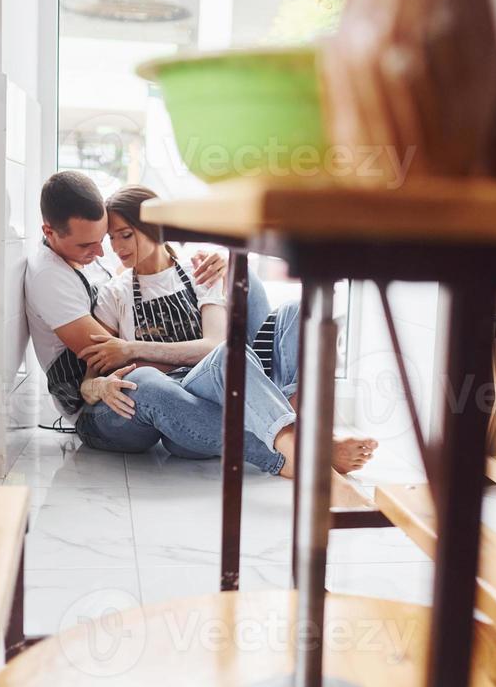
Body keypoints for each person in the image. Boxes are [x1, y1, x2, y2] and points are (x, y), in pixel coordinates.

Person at [77, 185, 377, 475]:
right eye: (111, 238)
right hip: (180, 410)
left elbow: (214, 346)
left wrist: (131, 349)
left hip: (214, 386)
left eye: (126, 235)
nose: (117, 247)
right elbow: (91, 377)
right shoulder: (114, 293)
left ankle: (288, 428)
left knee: (296, 312)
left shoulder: (199, 273)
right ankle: (302, 445)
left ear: (157, 228)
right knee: (150, 381)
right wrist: (100, 386)